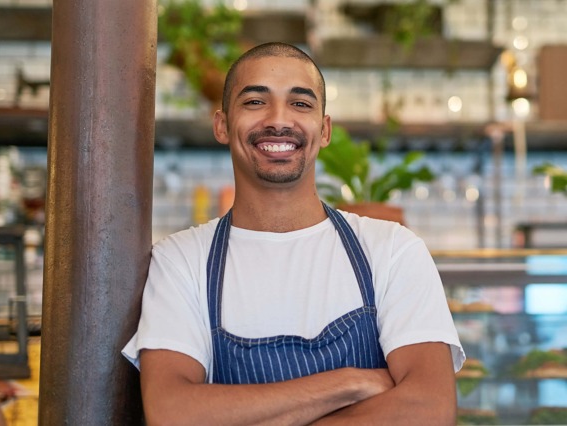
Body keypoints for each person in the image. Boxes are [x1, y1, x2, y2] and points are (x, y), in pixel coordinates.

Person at [123, 42, 465, 425]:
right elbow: (173, 414)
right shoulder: (182, 259)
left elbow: (429, 410)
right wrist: (348, 383)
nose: (278, 120)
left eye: (300, 104)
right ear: (221, 125)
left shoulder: (391, 250)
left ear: (325, 129)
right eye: (255, 102)